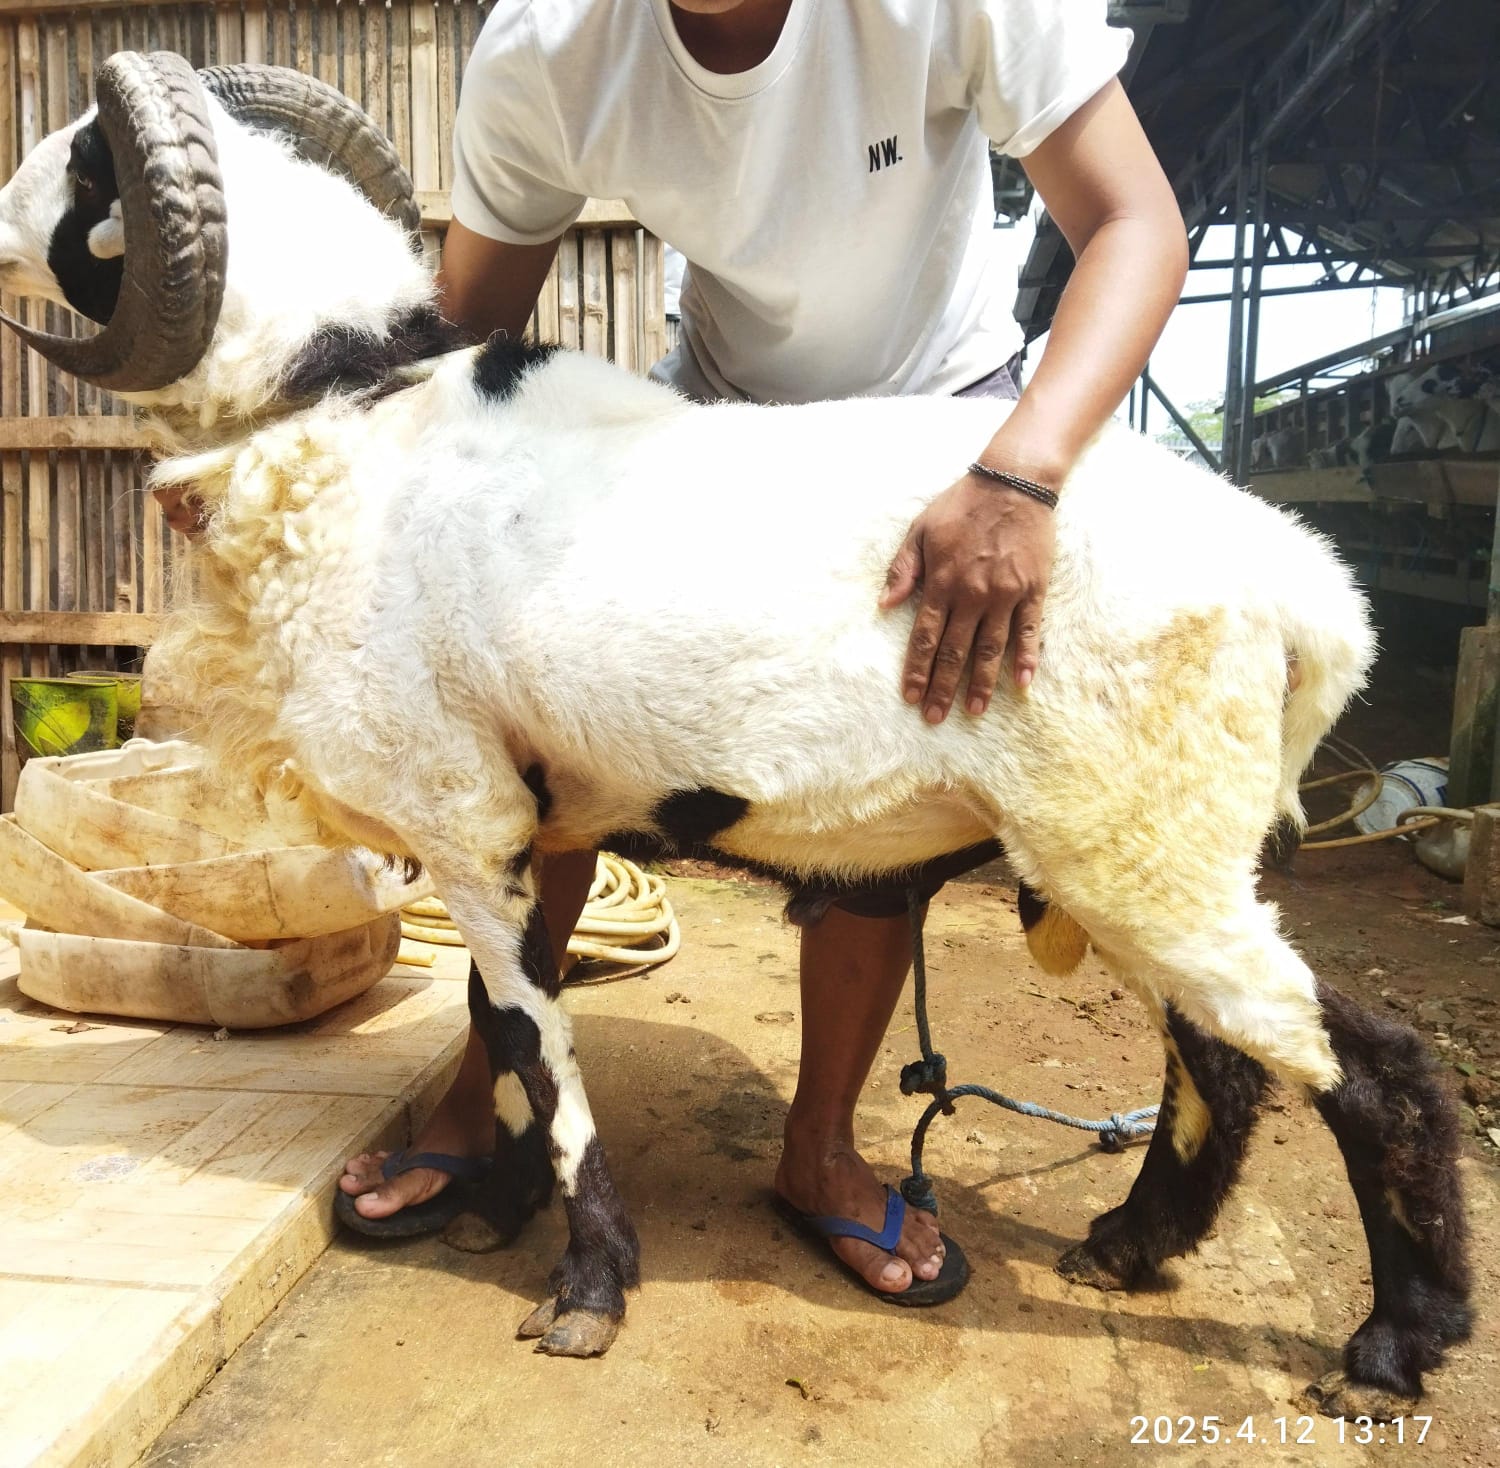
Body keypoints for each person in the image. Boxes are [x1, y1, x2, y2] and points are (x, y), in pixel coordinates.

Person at [338, 0, 1188, 1303]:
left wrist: (1021, 472)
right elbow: (461, 350)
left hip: (942, 420)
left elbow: (1135, 222)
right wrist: (311, 497)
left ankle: (819, 1147)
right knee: (552, 720)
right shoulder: (550, 44)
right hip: (724, 418)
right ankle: (491, 1098)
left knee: (880, 777)